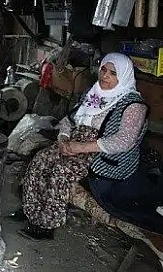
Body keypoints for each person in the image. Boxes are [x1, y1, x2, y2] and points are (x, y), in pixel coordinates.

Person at [19, 53, 149, 240]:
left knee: (60, 171)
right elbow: (69, 119)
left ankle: (46, 225)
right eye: (103, 69)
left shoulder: (133, 104)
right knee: (40, 160)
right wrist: (63, 139)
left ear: (124, 76)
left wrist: (81, 148)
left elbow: (124, 140)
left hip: (99, 153)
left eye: (113, 73)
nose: (105, 76)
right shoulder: (94, 93)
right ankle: (31, 212)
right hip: (73, 142)